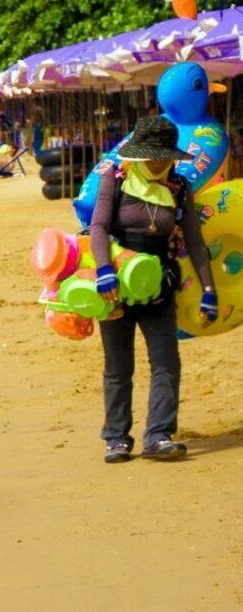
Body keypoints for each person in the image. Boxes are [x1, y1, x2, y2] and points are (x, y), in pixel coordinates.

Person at [88, 116, 217, 463]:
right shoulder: (114, 180)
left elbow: (194, 240)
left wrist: (209, 290)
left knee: (166, 362)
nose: (159, 163)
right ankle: (116, 437)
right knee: (118, 365)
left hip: (160, 283)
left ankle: (158, 435)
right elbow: (98, 227)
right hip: (115, 283)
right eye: (152, 156)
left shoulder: (178, 187)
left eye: (164, 156)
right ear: (138, 155)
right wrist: (103, 271)